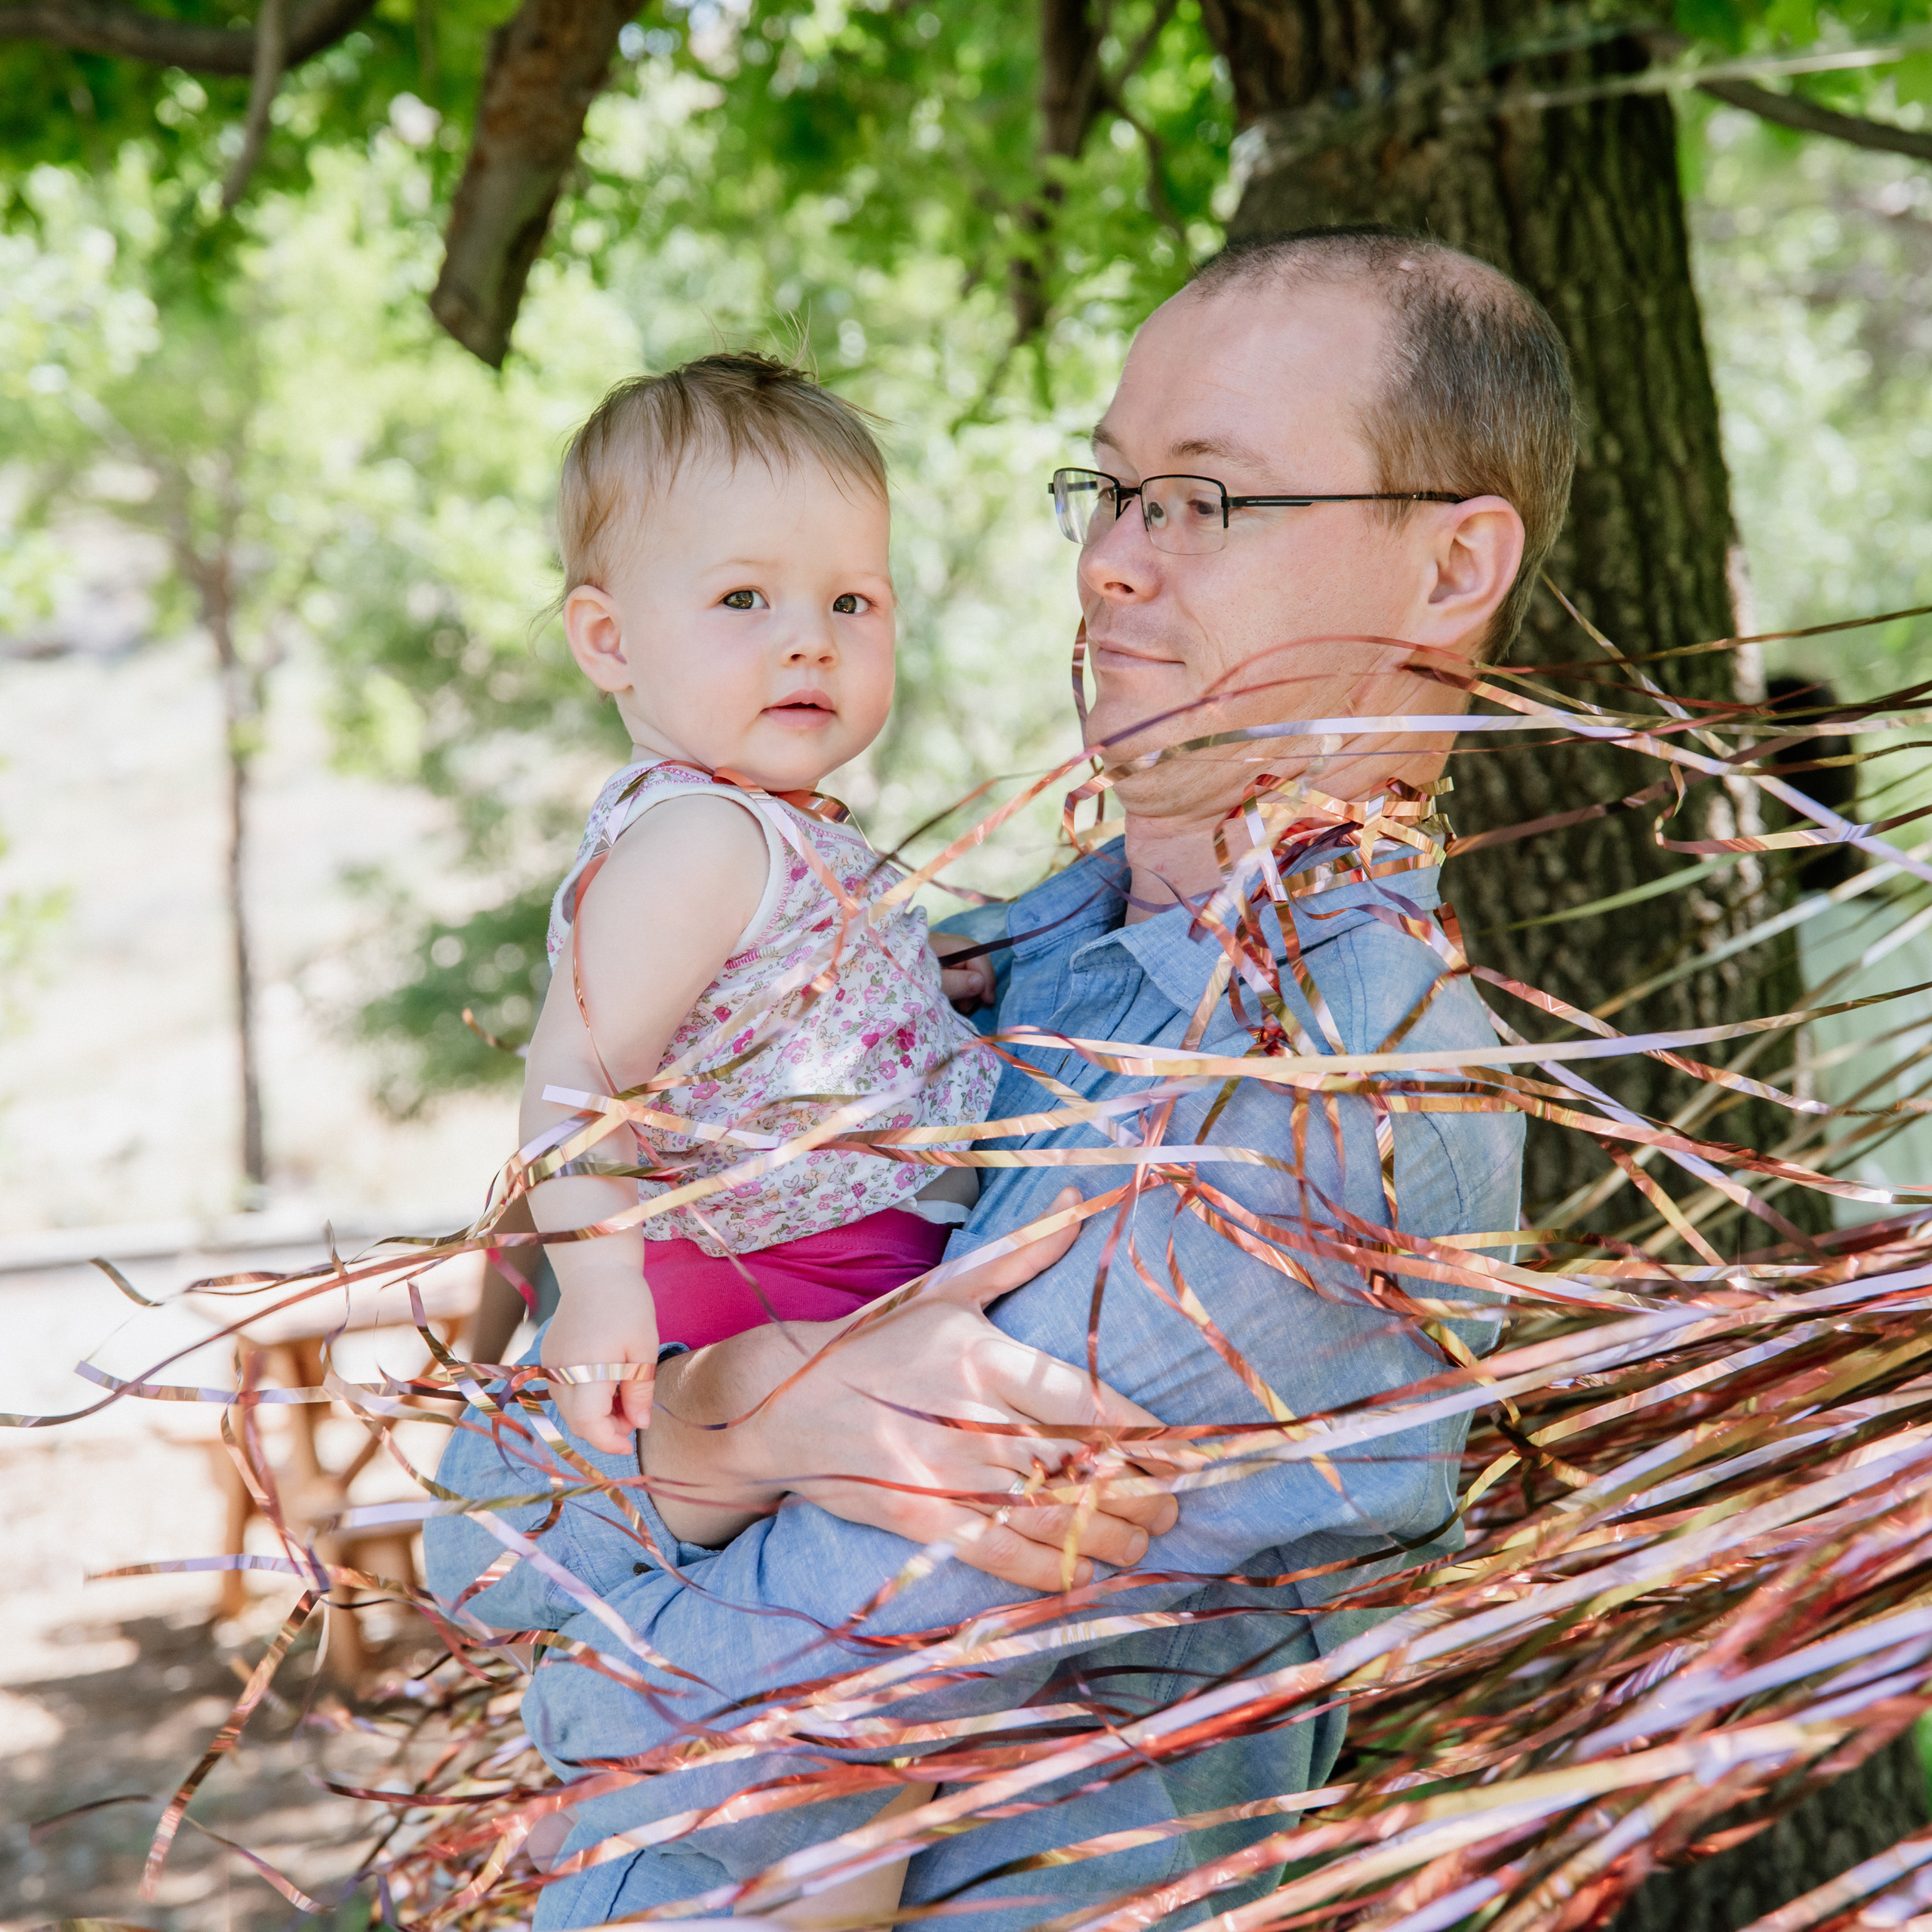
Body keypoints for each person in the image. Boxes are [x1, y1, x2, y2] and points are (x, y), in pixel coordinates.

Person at [424, 226, 1577, 1930]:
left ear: (1447, 565)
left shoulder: (1337, 1098)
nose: (1113, 559)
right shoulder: (990, 962)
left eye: (1203, 498)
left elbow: (750, 1695)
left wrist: (682, 1466)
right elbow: (479, 1513)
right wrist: (761, 1403)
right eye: (1108, 489)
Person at [493, 351, 1094, 1925]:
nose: (808, 641)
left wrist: (924, 980)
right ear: (608, 639)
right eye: (745, 600)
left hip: (826, 1277)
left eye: (851, 601)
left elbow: (793, 1020)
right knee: (844, 1755)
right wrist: (605, 1285)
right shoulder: (698, 834)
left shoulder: (786, 834)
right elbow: (572, 1080)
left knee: (827, 1734)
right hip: (750, 1286)